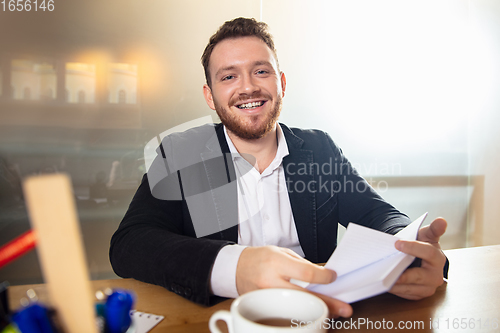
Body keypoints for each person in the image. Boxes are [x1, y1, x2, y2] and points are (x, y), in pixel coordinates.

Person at [110, 17, 448, 317]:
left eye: (261, 71)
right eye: (229, 76)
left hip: (318, 316)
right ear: (210, 96)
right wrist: (235, 265)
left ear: (281, 83)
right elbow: (129, 244)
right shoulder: (182, 153)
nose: (248, 87)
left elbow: (380, 217)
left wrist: (413, 251)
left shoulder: (319, 150)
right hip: (221, 318)